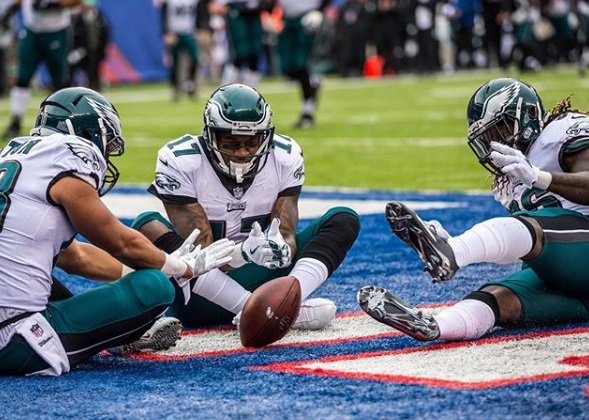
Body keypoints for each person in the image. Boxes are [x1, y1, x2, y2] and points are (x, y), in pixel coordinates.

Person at [0, 86, 235, 376]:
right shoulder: (68, 154)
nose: (107, 155)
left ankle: (110, 331)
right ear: (86, 133)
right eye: (107, 144)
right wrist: (180, 267)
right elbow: (122, 242)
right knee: (154, 287)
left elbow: (75, 258)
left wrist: (133, 271)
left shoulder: (13, 155)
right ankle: (117, 336)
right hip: (14, 341)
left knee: (41, 273)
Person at [358, 77, 589, 343]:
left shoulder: (561, 132)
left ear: (527, 116)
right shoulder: (509, 178)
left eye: (500, 128)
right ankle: (436, 325)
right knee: (498, 298)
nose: (495, 141)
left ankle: (452, 252)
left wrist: (541, 177)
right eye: (487, 136)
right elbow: (522, 246)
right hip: (575, 283)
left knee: (534, 227)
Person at [134, 83, 360, 332]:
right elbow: (201, 257)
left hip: (261, 277)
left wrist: (281, 249)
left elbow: (287, 234)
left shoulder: (285, 156)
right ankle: (260, 310)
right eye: (231, 142)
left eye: (251, 142)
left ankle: (285, 304)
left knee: (344, 218)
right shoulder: (180, 160)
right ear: (210, 135)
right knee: (147, 225)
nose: (242, 152)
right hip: (198, 295)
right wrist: (244, 253)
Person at [2, 0, 80, 140]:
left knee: (60, 82)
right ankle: (16, 120)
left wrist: (55, 5)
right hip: (31, 29)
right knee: (22, 78)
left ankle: (65, 121)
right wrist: (13, 8)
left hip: (56, 30)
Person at [278, 0, 331, 128]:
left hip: (307, 17)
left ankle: (307, 112)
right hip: (288, 18)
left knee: (301, 64)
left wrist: (319, 10)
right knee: (287, 67)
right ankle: (313, 81)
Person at [211, 0, 275, 88]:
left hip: (254, 8)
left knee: (255, 52)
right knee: (240, 53)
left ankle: (250, 92)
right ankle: (225, 90)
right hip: (235, 8)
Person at [159, 0, 200, 101]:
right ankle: (176, 88)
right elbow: (163, 15)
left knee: (195, 58)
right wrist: (166, 32)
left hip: (190, 32)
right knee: (175, 62)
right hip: (175, 33)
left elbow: (200, 12)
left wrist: (201, 28)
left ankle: (190, 83)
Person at [68, 0, 110, 92]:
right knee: (70, 70)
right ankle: (69, 90)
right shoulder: (77, 19)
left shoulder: (101, 18)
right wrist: (76, 50)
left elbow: (105, 35)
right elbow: (74, 36)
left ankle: (96, 92)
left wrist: (102, 51)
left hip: (95, 52)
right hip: (81, 51)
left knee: (94, 74)